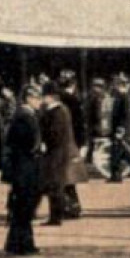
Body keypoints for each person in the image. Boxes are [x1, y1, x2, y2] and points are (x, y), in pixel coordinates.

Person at [2, 85, 43, 256]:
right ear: (28, 98)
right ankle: (22, 244)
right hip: (25, 167)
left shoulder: (25, 115)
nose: (39, 102)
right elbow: (27, 143)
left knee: (22, 208)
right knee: (24, 208)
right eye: (36, 98)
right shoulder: (24, 117)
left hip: (23, 166)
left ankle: (17, 243)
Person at [38, 81, 79, 226]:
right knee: (56, 184)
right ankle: (58, 214)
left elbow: (55, 134)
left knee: (55, 185)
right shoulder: (61, 110)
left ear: (50, 97)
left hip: (56, 153)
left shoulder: (57, 112)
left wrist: (44, 142)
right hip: (59, 152)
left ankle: (56, 216)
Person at [57, 73, 87, 219]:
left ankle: (69, 206)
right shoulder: (74, 100)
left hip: (64, 142)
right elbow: (79, 124)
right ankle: (72, 206)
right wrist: (81, 142)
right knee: (68, 177)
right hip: (72, 141)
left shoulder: (61, 100)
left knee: (64, 176)